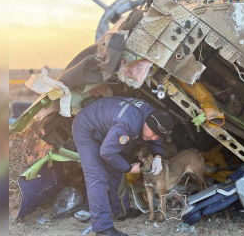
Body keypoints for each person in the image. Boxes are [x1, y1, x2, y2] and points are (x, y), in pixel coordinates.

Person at [72, 96, 173, 236]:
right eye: (154, 134)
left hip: (106, 124)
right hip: (87, 127)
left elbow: (155, 134)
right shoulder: (127, 124)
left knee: (116, 166)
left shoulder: (152, 114)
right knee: (97, 176)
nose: (154, 138)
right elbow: (107, 153)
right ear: (147, 124)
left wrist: (158, 155)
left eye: (158, 137)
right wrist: (130, 169)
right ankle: (103, 229)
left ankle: (121, 211)